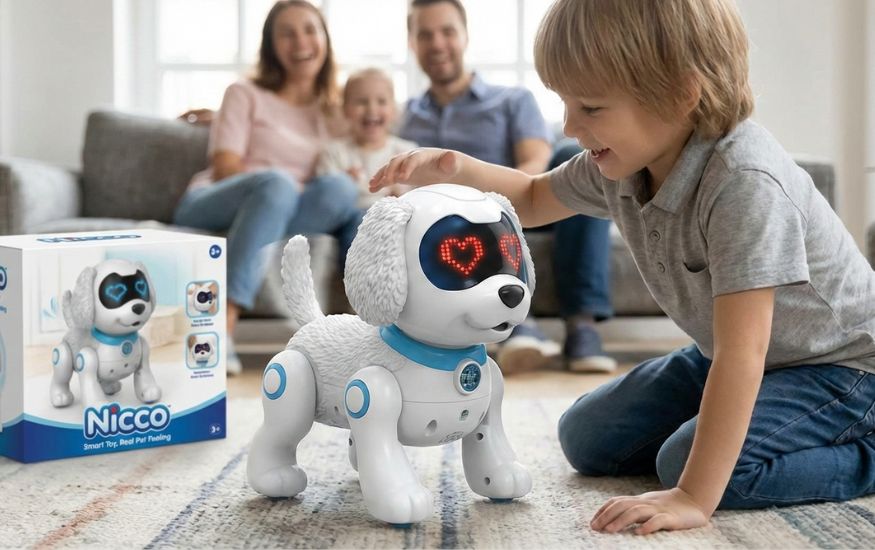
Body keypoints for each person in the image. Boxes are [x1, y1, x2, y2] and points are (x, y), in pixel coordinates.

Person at [371, 0, 875, 535]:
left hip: (843, 368)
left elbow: (743, 353)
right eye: (565, 102)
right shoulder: (621, 161)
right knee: (586, 436)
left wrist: (692, 497)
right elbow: (537, 197)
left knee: (690, 466)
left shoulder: (744, 181)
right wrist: (455, 169)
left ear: (682, 93)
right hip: (737, 355)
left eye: (589, 107)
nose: (569, 125)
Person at [399, 0, 616, 375]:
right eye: (425, 34)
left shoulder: (513, 101)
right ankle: (516, 329)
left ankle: (581, 326)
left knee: (571, 156)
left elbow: (536, 169)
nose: (437, 43)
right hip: (442, 225)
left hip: (518, 207)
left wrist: (486, 205)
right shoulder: (402, 119)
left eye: (447, 31)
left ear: (464, 35)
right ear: (412, 43)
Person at [174, 0, 361, 374]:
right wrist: (278, 189)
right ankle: (222, 324)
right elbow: (227, 168)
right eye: (286, 33)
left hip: (282, 211)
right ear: (271, 46)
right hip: (216, 199)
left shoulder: (337, 114)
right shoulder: (244, 93)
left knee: (342, 189)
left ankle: (371, 331)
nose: (300, 42)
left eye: (310, 30)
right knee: (278, 185)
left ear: (325, 39)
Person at [316, 67, 416, 208]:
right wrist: (342, 183)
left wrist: (402, 197)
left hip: (389, 219)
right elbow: (323, 197)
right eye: (362, 102)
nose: (371, 109)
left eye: (381, 101)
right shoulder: (334, 152)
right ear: (345, 109)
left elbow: (419, 197)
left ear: (393, 109)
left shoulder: (407, 153)